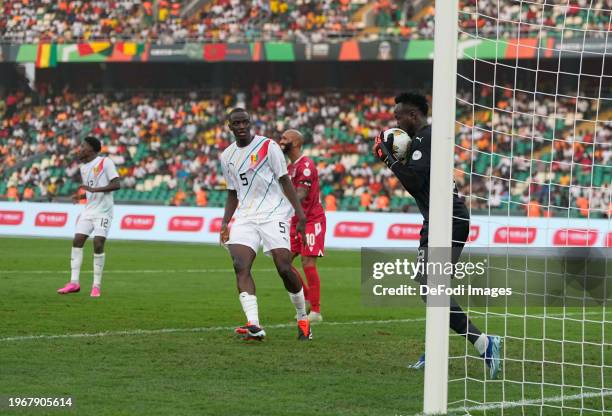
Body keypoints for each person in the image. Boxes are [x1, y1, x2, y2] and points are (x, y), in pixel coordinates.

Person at [373, 92, 502, 379]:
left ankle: (483, 343)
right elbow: (420, 181)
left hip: (447, 219)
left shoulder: (424, 138)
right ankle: (439, 351)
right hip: (438, 219)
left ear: (413, 116)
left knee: (432, 289)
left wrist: (390, 162)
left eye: (399, 116)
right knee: (432, 289)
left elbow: (415, 181)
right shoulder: (425, 140)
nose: (396, 121)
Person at [219, 108, 312, 341]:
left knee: (283, 268)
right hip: (245, 216)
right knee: (240, 265)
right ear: (229, 126)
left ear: (250, 124)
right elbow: (232, 192)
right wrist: (224, 223)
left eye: (245, 122)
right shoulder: (226, 156)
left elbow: (284, 180)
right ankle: (254, 325)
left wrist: (300, 216)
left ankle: (302, 317)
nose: (241, 126)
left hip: (274, 213)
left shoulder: (267, 146)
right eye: (236, 123)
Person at [57, 136, 120, 298]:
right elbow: (90, 189)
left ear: (91, 149)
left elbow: (116, 184)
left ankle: (96, 286)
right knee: (77, 240)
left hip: (104, 211)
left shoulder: (105, 162)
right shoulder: (84, 168)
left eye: (83, 146)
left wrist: (93, 191)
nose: (80, 149)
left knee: (98, 243)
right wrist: (80, 197)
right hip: (88, 211)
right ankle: (74, 283)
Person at [279, 129, 326, 322]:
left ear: (296, 143)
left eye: (285, 138)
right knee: (284, 262)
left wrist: (282, 202)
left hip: (311, 219)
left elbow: (301, 194)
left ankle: (315, 311)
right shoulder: (290, 167)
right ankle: (307, 297)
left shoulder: (306, 165)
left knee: (308, 263)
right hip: (295, 220)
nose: (281, 141)